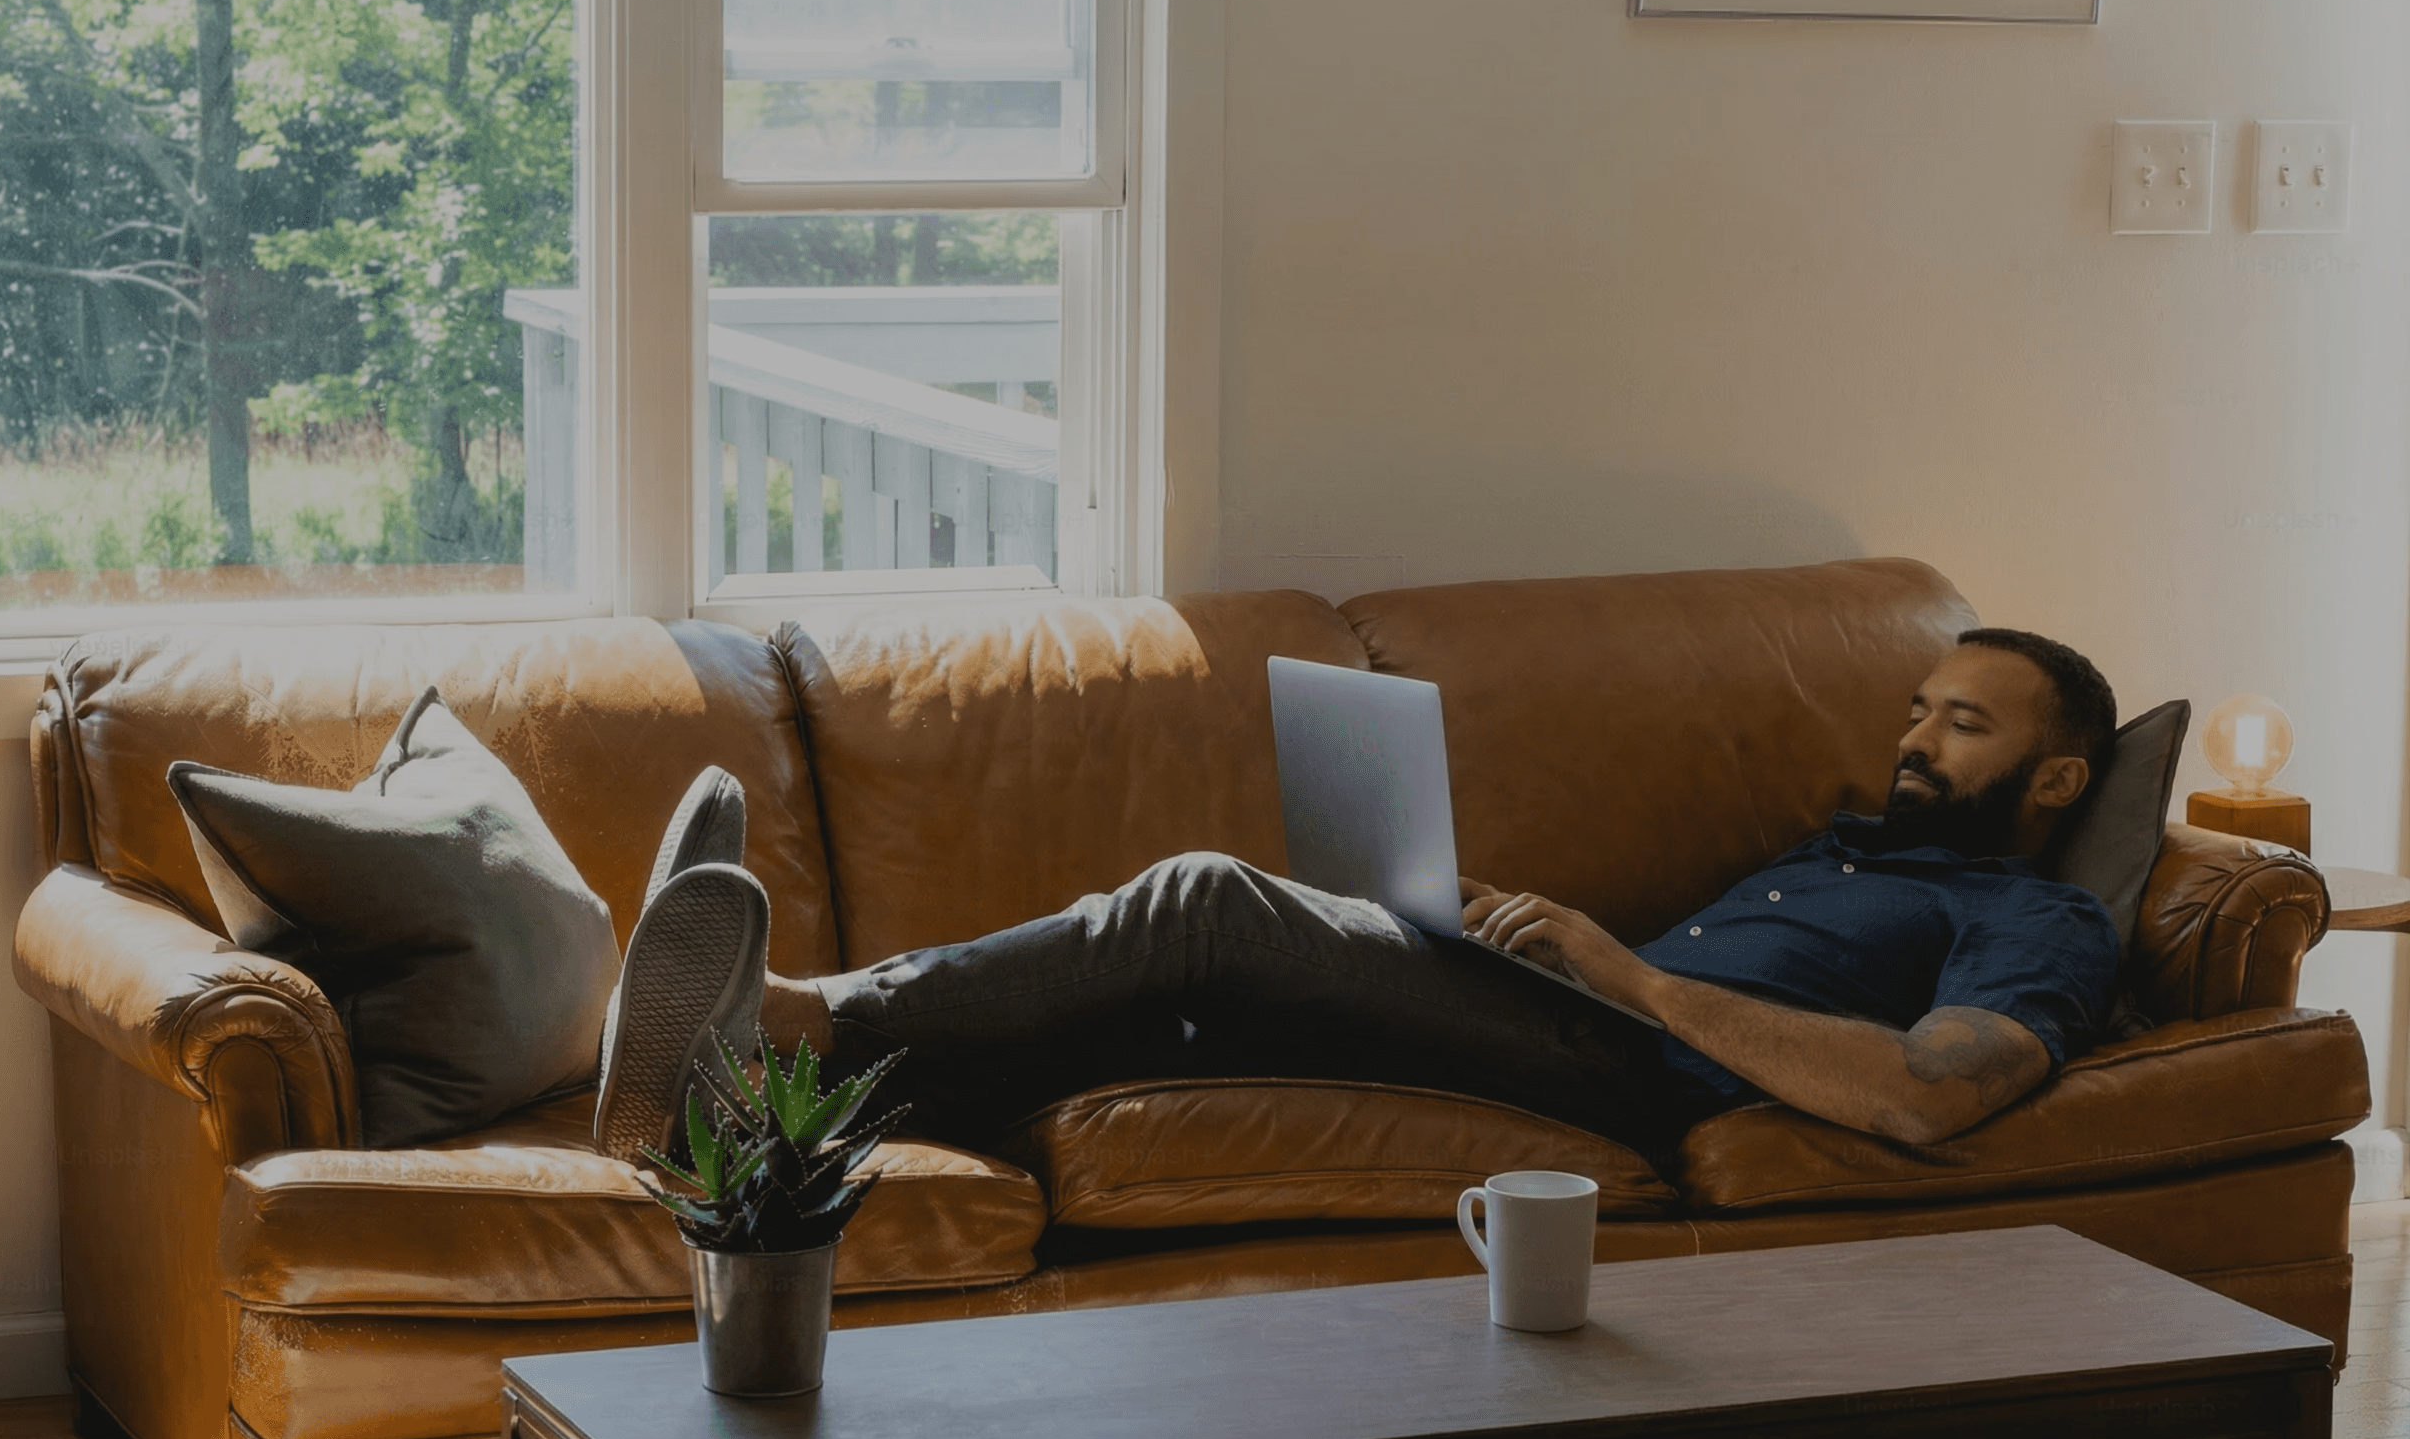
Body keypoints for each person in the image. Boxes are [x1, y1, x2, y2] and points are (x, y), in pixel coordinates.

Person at [593, 628, 2121, 1169]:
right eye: (1919, 708)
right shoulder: (1851, 843)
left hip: (1634, 1077)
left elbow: (1931, 1098)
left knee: (1201, 903)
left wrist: (1634, 980)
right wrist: (1503, 930)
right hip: (1567, 1016)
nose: (1916, 740)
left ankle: (793, 1012)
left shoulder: (2038, 922)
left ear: (2059, 782)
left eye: (1964, 726)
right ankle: (737, 1106)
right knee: (1169, 1012)